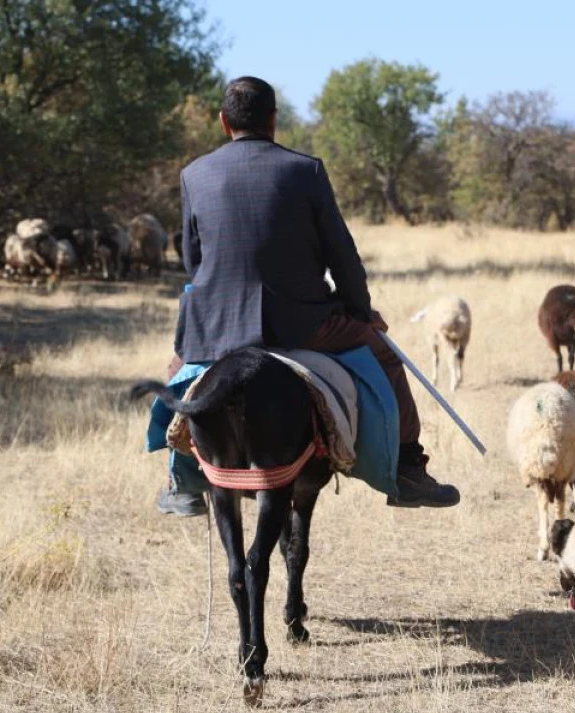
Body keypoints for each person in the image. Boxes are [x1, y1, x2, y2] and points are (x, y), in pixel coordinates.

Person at [157, 76, 460, 515]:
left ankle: (179, 481)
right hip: (304, 325)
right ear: (274, 121)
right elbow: (342, 254)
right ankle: (409, 471)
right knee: (386, 360)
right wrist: (361, 312)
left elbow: (192, 258)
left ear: (224, 122)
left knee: (179, 375)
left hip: (217, 326)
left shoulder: (194, 174)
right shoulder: (306, 170)